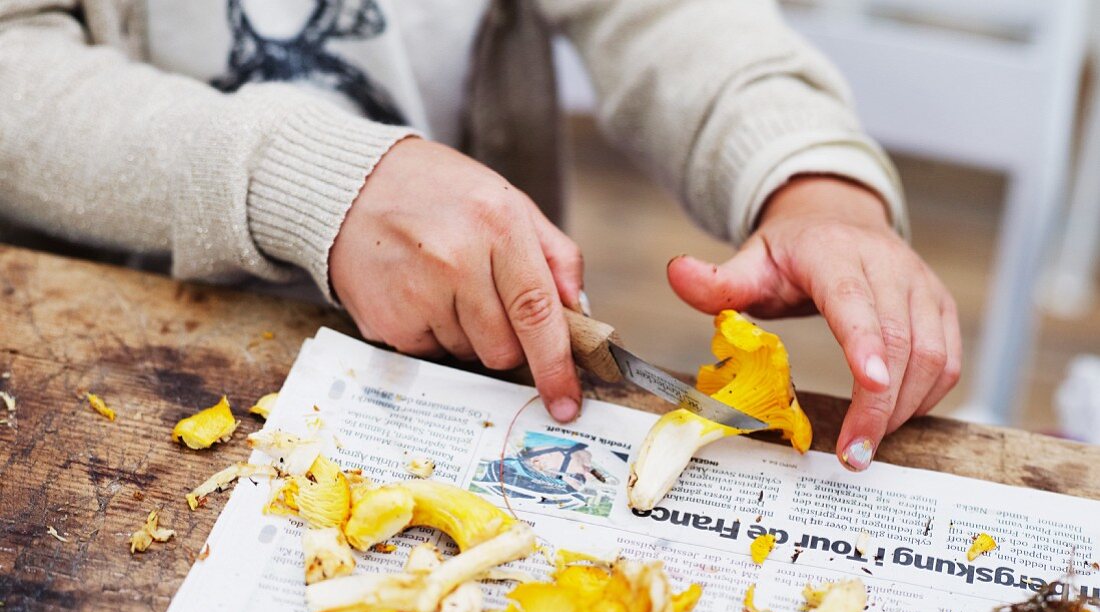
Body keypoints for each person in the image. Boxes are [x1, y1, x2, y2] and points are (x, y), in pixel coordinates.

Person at [0, 0, 959, 472]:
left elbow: (669, 15)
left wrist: (812, 178)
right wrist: (316, 183)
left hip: (472, 367)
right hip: (118, 371)